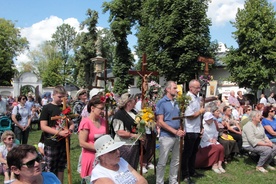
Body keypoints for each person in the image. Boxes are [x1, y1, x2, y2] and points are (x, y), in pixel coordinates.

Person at [40, 85, 74, 183]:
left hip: (64, 142)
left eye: (64, 97)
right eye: (59, 97)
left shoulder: (65, 108)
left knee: (61, 167)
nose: (61, 100)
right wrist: (59, 133)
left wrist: (70, 130)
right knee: (50, 167)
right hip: (52, 142)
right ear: (53, 95)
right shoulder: (47, 108)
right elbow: (43, 126)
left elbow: (71, 123)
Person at [155, 81, 185, 184]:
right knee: (162, 162)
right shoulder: (161, 102)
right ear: (168, 89)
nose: (177, 90)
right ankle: (160, 182)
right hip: (166, 136)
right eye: (174, 88)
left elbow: (178, 118)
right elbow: (160, 121)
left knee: (176, 161)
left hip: (177, 136)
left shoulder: (176, 102)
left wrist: (180, 129)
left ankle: (173, 181)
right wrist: (174, 131)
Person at [181, 79, 205, 184]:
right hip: (190, 129)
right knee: (187, 153)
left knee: (194, 152)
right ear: (191, 88)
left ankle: (192, 170)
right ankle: (185, 174)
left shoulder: (196, 98)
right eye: (197, 87)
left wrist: (201, 126)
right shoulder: (188, 98)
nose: (199, 89)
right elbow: (189, 115)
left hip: (196, 128)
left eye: (199, 87)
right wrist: (200, 111)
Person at [78, 95, 106, 180]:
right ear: (93, 108)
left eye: (103, 108)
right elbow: (82, 143)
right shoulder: (86, 122)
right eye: (100, 108)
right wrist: (98, 148)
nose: (102, 111)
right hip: (90, 157)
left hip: (102, 157)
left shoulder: (104, 121)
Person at [111, 93, 141, 170]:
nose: (135, 102)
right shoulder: (119, 115)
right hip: (124, 145)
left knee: (133, 167)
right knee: (124, 167)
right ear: (128, 103)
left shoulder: (134, 112)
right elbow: (119, 132)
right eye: (134, 100)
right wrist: (134, 135)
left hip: (134, 144)